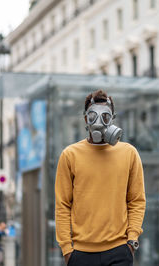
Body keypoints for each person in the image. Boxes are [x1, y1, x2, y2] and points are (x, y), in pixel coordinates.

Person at [55, 90, 146, 266]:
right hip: (81, 254)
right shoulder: (70, 155)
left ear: (112, 118)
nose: (98, 122)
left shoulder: (129, 153)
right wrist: (67, 250)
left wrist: (132, 241)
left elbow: (136, 200)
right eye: (92, 116)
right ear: (85, 119)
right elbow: (63, 205)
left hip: (119, 251)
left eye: (105, 116)